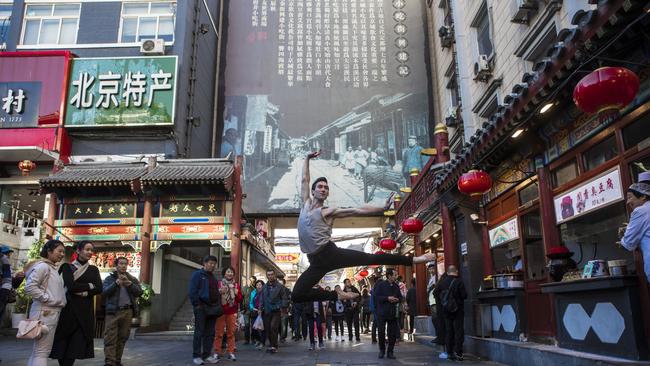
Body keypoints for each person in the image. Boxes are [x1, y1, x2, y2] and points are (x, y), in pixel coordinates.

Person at [292, 151, 436, 304]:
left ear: (327, 194)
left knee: (371, 258)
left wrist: (380, 209)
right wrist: (307, 158)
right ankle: (337, 295)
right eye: (320, 187)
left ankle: (414, 259)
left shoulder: (328, 212)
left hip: (330, 254)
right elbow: (304, 179)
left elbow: (357, 210)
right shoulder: (305, 204)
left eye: (326, 188)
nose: (323, 189)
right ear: (313, 191)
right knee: (297, 295)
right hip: (315, 261)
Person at [50, 241, 103, 366]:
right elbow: (71, 286)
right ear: (78, 251)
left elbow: (99, 288)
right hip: (68, 310)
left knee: (76, 344)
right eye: (87, 249)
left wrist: (85, 293)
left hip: (84, 312)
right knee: (63, 343)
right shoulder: (67, 267)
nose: (90, 252)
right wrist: (90, 285)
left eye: (91, 250)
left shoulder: (93, 269)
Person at [24, 240, 67, 366]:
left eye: (63, 252)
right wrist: (47, 298)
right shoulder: (43, 266)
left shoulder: (49, 267)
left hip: (48, 311)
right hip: (46, 311)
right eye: (59, 251)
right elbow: (30, 287)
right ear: (49, 251)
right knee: (42, 351)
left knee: (38, 351)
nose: (62, 254)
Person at [102, 256, 143, 366]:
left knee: (123, 337)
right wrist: (116, 283)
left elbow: (139, 292)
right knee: (110, 338)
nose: (123, 266)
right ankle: (110, 362)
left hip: (127, 312)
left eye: (125, 264)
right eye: (121, 263)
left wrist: (129, 284)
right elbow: (104, 293)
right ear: (116, 265)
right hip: (113, 312)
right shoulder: (109, 279)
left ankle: (117, 360)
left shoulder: (132, 279)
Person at [188, 255, 221, 365]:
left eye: (214, 264)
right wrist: (197, 305)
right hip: (201, 308)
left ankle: (206, 355)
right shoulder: (197, 275)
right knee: (199, 332)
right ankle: (196, 356)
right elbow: (192, 291)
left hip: (212, 308)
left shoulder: (213, 278)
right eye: (210, 263)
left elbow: (215, 292)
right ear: (204, 263)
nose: (212, 265)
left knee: (210, 333)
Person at [434, 266, 468, 361]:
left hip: (446, 310)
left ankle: (449, 352)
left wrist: (443, 301)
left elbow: (435, 293)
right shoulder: (459, 281)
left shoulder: (442, 282)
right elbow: (464, 295)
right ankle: (459, 353)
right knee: (458, 330)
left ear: (448, 272)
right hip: (458, 310)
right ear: (456, 271)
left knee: (449, 330)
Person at [620, 179, 650, 282]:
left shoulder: (641, 211)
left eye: (629, 197)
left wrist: (623, 235)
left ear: (643, 196)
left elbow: (628, 243)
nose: (628, 202)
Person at [211, 266, 243, 362]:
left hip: (232, 311)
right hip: (220, 312)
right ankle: (217, 352)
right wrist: (219, 292)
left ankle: (231, 352)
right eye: (228, 272)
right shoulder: (219, 284)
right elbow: (213, 296)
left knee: (231, 333)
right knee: (219, 333)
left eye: (231, 272)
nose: (230, 273)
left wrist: (237, 294)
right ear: (224, 273)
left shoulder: (236, 285)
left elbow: (240, 299)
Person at [374, 269, 402, 360]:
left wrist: (397, 299)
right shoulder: (381, 285)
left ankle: (390, 351)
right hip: (382, 313)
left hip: (392, 313)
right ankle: (382, 350)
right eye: (394, 275)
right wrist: (387, 298)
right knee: (381, 332)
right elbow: (376, 297)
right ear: (389, 276)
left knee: (392, 333)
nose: (396, 276)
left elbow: (400, 297)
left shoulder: (396, 286)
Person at [259, 269, 289, 353]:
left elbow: (284, 298)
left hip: (276, 310)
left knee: (273, 327)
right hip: (267, 311)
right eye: (268, 275)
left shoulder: (280, 286)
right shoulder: (264, 286)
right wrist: (260, 308)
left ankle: (274, 346)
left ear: (274, 275)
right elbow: (262, 298)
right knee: (268, 328)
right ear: (267, 276)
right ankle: (272, 344)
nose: (270, 276)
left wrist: (282, 308)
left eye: (272, 274)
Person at [1, 245, 24, 325]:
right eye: (7, 254)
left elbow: (8, 278)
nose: (8, 256)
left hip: (5, 291)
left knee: (2, 310)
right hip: (3, 290)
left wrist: (16, 276)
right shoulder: (3, 261)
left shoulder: (6, 263)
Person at [304, 285, 325, 350]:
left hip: (318, 313)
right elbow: (305, 302)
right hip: (310, 313)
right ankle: (312, 343)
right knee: (311, 328)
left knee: (319, 326)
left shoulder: (320, 290)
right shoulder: (308, 291)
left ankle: (321, 342)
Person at [249, 279, 266, 348]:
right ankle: (257, 340)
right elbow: (250, 302)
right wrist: (253, 308)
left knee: (261, 329)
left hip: (262, 312)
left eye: (260, 285)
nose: (258, 286)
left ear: (263, 286)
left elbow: (266, 303)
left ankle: (262, 342)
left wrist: (262, 309)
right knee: (254, 328)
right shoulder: (253, 292)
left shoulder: (265, 293)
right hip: (254, 312)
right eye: (257, 285)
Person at [241, 276, 256, 345]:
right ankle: (246, 340)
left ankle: (253, 339)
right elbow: (241, 299)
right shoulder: (244, 288)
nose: (251, 282)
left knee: (253, 325)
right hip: (246, 310)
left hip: (253, 310)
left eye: (253, 281)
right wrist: (241, 309)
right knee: (246, 325)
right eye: (250, 280)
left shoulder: (255, 289)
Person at [278, 278, 291, 343]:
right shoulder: (275, 290)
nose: (279, 284)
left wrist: (288, 306)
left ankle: (282, 337)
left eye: (281, 282)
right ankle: (280, 336)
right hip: (277, 310)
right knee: (278, 324)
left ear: (284, 283)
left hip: (284, 310)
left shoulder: (287, 290)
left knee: (284, 325)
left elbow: (290, 300)